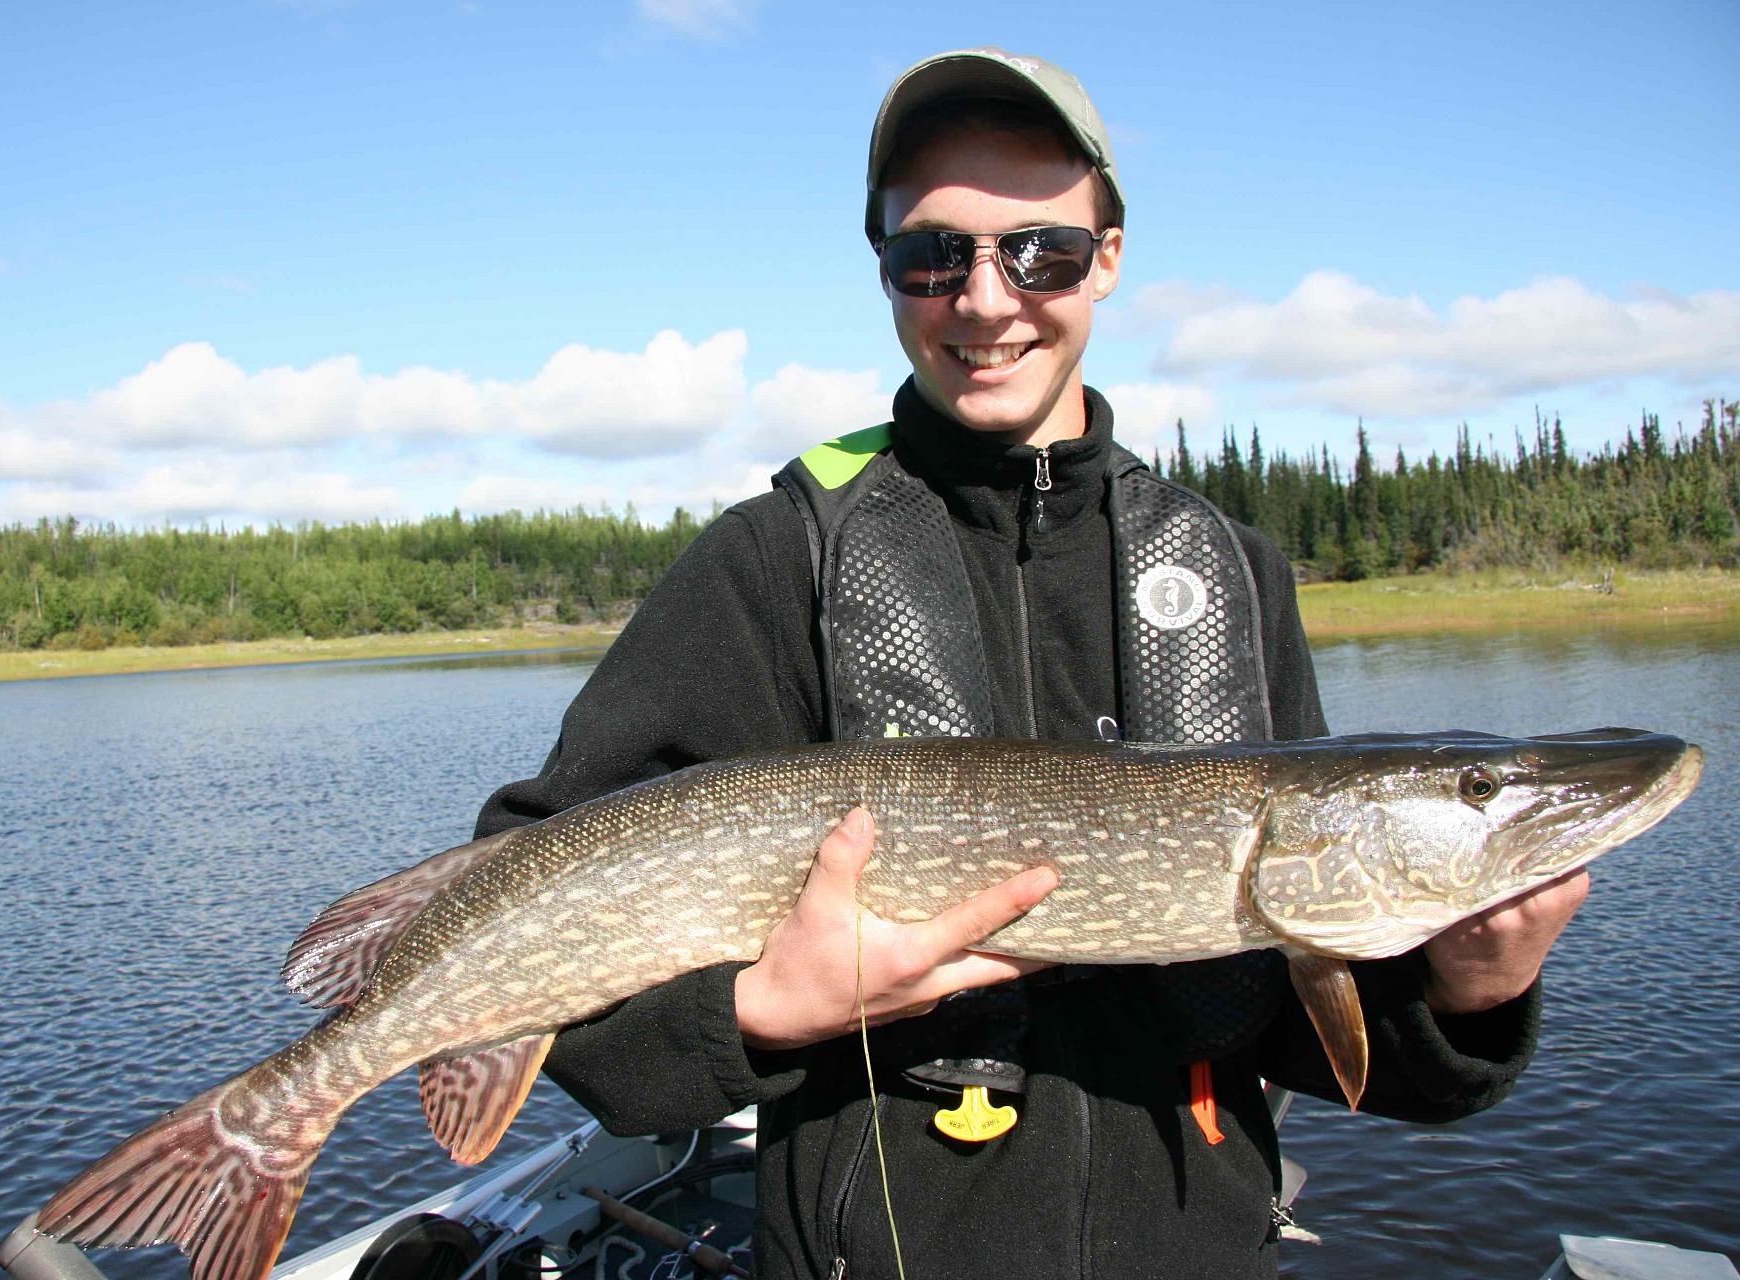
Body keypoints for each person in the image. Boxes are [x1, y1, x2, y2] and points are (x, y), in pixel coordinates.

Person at [475, 47, 1587, 1279]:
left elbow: (1311, 1034)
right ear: (887, 269)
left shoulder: (1230, 569)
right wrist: (747, 1012)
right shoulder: (773, 562)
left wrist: (1469, 991)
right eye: (933, 254)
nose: (989, 300)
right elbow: (528, 911)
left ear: (1108, 255)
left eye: (1040, 251)